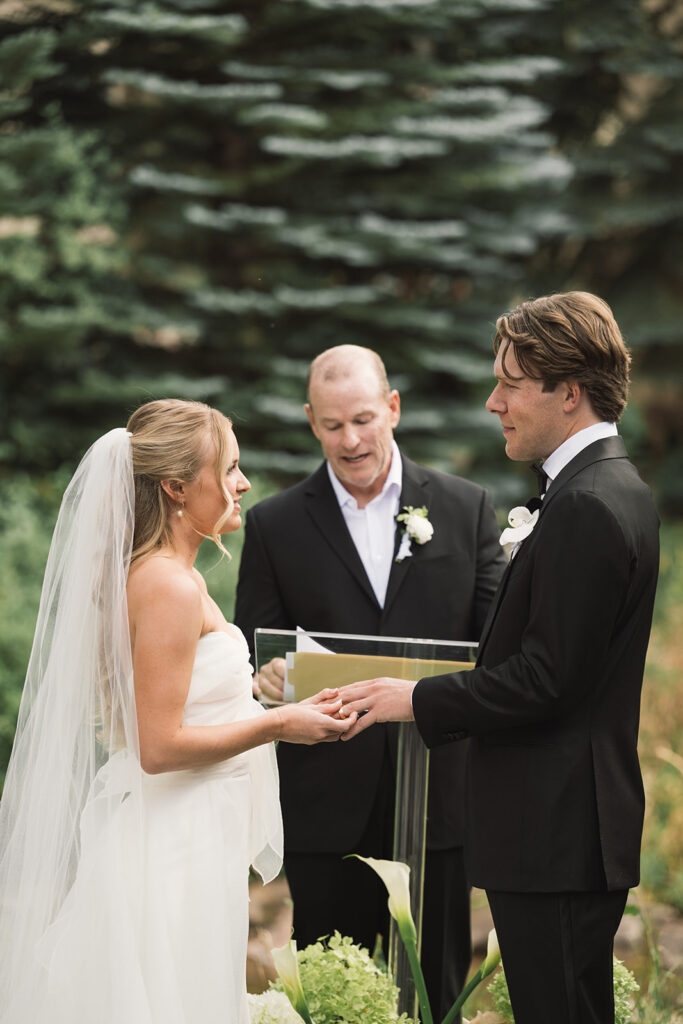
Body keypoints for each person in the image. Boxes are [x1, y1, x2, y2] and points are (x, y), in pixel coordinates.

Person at [338, 293, 660, 1024]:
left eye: (511, 383)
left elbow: (549, 678)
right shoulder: (608, 487)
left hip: (557, 833)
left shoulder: (586, 504)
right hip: (563, 831)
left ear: (567, 391)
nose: (493, 402)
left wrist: (414, 699)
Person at [0, 399, 355, 1024]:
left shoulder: (176, 576)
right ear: (176, 487)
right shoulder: (165, 582)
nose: (243, 483)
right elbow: (159, 747)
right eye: (231, 469)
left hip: (195, 834)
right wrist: (278, 725)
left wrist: (274, 695)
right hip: (168, 842)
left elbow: (193, 705)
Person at [234, 346, 505, 1019]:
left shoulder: (466, 508)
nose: (349, 440)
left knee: (434, 986)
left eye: (362, 418)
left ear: (392, 408)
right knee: (330, 989)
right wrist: (266, 677)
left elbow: (497, 649)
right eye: (330, 425)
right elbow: (254, 651)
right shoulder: (275, 524)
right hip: (325, 805)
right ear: (309, 422)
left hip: (436, 795)